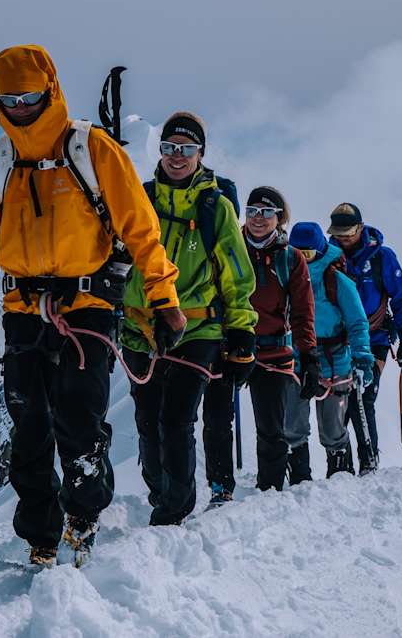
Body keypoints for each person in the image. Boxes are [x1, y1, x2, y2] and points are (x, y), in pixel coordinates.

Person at [0, 45, 181, 566]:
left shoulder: (92, 150)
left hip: (89, 305)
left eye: (31, 95)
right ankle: (40, 536)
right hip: (22, 310)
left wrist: (164, 301)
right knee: (28, 429)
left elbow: (141, 231)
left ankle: (83, 515)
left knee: (78, 421)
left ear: (50, 89)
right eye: (10, 97)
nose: (22, 106)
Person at [121, 111, 256, 526]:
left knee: (176, 418)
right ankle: (161, 490)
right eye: (169, 148)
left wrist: (241, 332)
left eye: (186, 149)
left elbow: (235, 273)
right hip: (140, 328)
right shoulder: (138, 198)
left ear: (201, 153)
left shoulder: (216, 209)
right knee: (147, 420)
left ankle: (173, 510)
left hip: (197, 328)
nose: (176, 157)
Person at [327, 203, 402, 474]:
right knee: (338, 401)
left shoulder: (382, 258)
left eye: (348, 232)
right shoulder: (328, 256)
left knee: (363, 396)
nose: (343, 238)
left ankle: (369, 462)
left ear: (360, 228)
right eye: (338, 233)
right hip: (337, 340)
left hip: (374, 336)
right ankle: (342, 468)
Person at [241, 186, 317, 490]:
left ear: (279, 218)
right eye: (252, 211)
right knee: (217, 422)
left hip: (273, 351)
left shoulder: (291, 258)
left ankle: (269, 489)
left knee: (271, 427)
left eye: (267, 212)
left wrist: (308, 355)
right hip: (229, 345)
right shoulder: (230, 247)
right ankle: (220, 488)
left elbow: (302, 311)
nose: (258, 219)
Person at [285, 222, 374, 476]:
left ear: (321, 251)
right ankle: (299, 477)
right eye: (298, 253)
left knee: (333, 427)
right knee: (293, 423)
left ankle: (339, 476)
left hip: (334, 361)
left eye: (309, 254)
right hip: (296, 359)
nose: (303, 259)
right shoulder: (285, 275)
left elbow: (357, 322)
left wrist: (362, 357)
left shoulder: (337, 281)